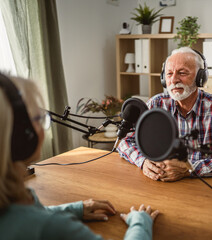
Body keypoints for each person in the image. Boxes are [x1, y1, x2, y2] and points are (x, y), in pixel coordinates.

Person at [0, 73, 159, 240]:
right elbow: (36, 220)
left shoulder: (15, 199)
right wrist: (140, 223)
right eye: (39, 118)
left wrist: (75, 208)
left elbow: (28, 213)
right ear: (23, 137)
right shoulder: (54, 228)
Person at [118, 47, 212, 182]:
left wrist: (190, 169)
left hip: (204, 190)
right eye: (169, 74)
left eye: (182, 73)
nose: (174, 79)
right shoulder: (155, 104)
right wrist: (143, 161)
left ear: (200, 78)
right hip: (160, 187)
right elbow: (125, 141)